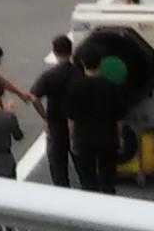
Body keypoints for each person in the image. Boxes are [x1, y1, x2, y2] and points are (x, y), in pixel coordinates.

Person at [66, 42, 124, 194]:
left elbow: (71, 118)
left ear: (83, 63)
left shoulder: (75, 87)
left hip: (84, 138)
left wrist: (73, 138)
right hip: (108, 138)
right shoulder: (111, 86)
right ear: (101, 62)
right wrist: (119, 138)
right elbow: (118, 118)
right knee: (108, 179)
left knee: (88, 180)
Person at [30, 35, 78, 188]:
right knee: (82, 162)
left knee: (58, 165)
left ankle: (62, 191)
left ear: (55, 52)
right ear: (71, 51)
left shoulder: (49, 76)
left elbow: (34, 97)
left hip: (55, 124)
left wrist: (45, 117)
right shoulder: (79, 73)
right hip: (78, 124)